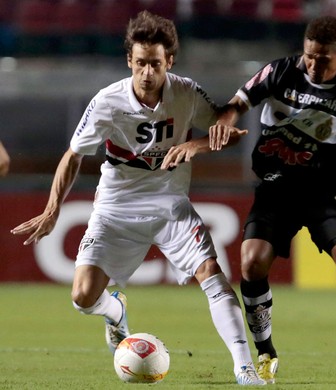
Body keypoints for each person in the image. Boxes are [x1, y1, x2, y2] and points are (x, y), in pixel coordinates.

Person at [164, 15, 336, 385]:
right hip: (276, 187)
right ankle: (266, 352)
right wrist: (226, 120)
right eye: (309, 56)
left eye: (324, 59)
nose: (314, 66)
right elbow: (237, 102)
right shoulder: (281, 71)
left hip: (326, 190)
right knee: (252, 263)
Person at [11, 11, 265, 386]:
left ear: (170, 62)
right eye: (141, 63)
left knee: (213, 274)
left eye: (156, 64)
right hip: (116, 205)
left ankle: (245, 368)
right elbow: (73, 155)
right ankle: (115, 311)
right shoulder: (107, 102)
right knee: (82, 297)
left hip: (170, 204)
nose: (148, 72)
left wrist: (195, 144)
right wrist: (52, 210)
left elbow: (232, 131)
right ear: (130, 60)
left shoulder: (186, 92)